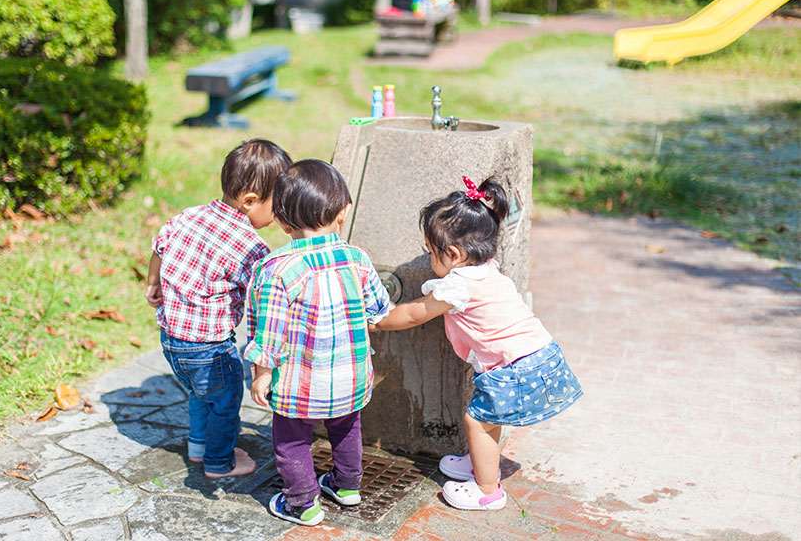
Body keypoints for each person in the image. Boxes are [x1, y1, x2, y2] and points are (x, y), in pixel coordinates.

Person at [372, 175, 582, 511]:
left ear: (453, 254)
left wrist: (379, 321)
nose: (428, 260)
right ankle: (479, 462)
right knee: (487, 416)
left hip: (518, 366)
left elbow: (414, 314)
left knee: (478, 420)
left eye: (431, 252)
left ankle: (487, 490)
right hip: (536, 353)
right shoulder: (485, 269)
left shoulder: (457, 286)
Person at [244, 159, 390, 526]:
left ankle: (302, 503)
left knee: (292, 442)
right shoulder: (356, 258)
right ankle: (346, 486)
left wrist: (262, 374)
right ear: (342, 213)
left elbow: (269, 333)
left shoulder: (276, 268)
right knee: (347, 429)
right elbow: (378, 312)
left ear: (281, 221)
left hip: (298, 383)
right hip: (349, 377)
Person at [145, 138, 292, 478]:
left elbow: (159, 246)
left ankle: (198, 446)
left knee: (200, 394)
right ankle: (218, 461)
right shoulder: (251, 247)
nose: (281, 213)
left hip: (171, 340)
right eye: (278, 204)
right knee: (225, 403)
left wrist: (152, 283)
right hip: (210, 348)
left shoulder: (188, 217)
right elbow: (261, 304)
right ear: (251, 201)